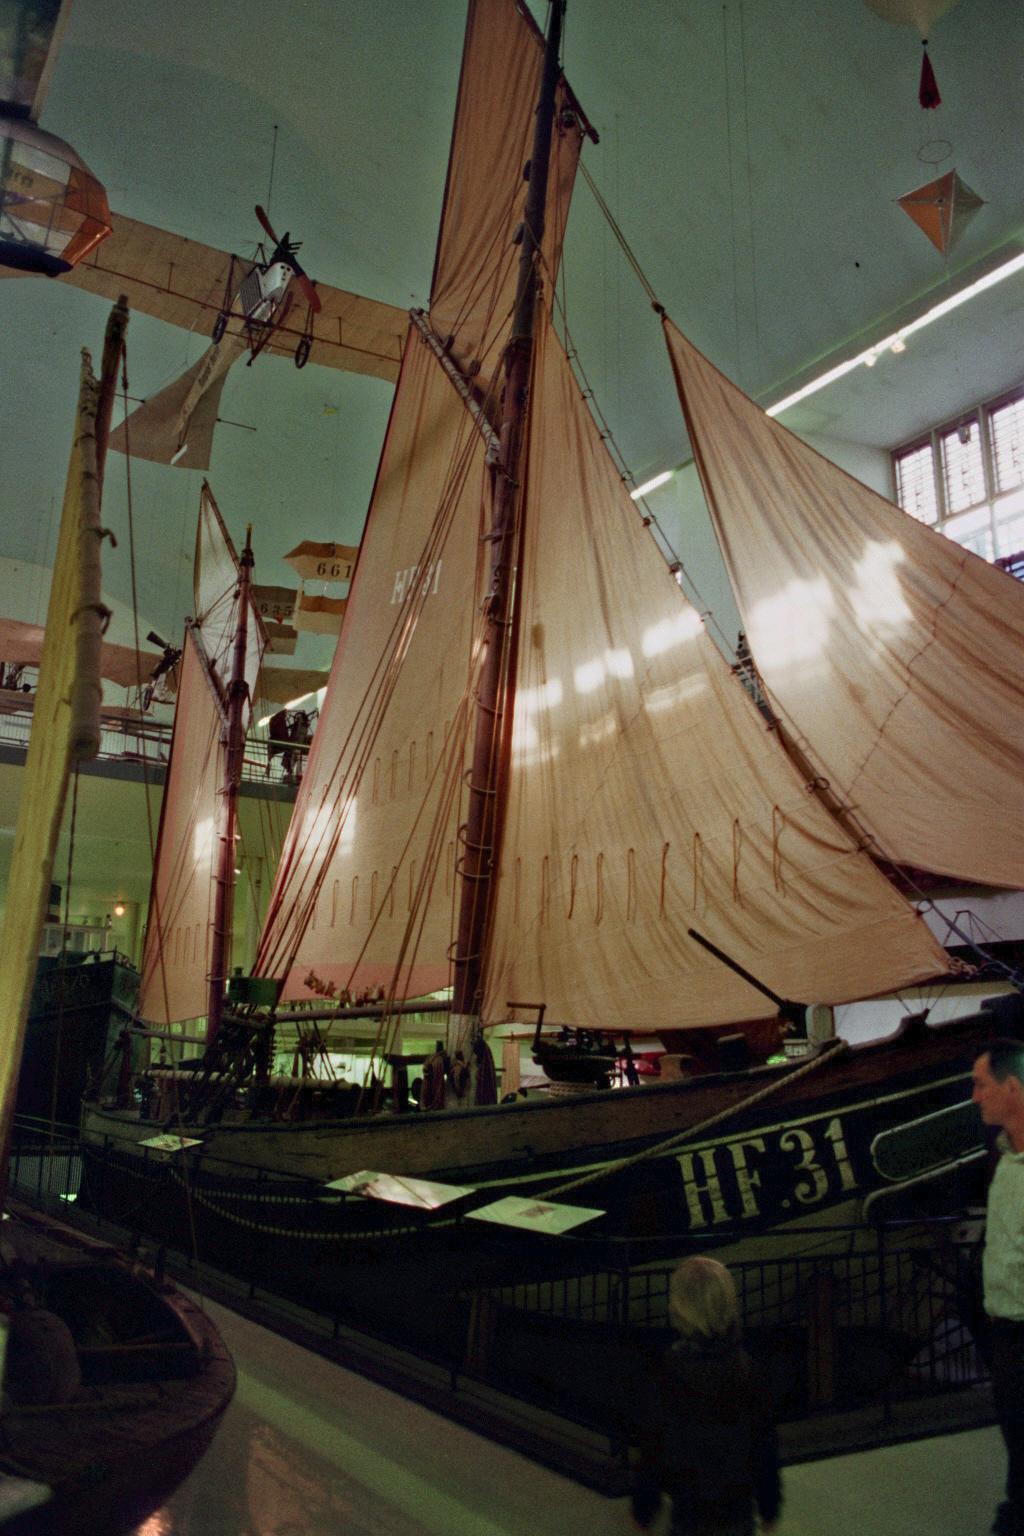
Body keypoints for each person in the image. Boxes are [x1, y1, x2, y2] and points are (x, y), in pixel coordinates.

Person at [631, 1256, 780, 1536]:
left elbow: (653, 1448)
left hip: (689, 1512)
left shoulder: (669, 1371)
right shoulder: (747, 1368)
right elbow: (764, 1446)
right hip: (738, 1512)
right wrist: (769, 1507)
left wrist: (644, 1508)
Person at [972, 1038, 1024, 1536]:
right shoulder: (1003, 1161)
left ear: (1013, 1088)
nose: (975, 1096)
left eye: (982, 1085)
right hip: (1005, 1335)